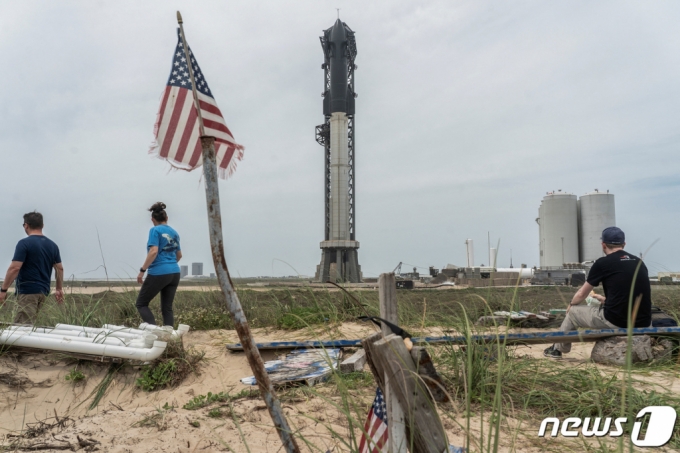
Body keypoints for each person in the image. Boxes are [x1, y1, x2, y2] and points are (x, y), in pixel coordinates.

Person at [544, 226, 652, 359]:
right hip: (644, 322)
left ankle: (557, 349)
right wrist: (606, 299)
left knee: (573, 312)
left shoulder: (602, 263)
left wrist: (571, 304)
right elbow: (631, 292)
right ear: (624, 244)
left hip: (617, 321)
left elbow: (582, 294)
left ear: (603, 244)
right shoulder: (639, 262)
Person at [0, 211, 64, 324]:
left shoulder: (24, 243)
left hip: (28, 291)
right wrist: (59, 289)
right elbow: (59, 269)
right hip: (44, 292)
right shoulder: (52, 245)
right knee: (34, 327)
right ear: (42, 225)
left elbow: (14, 268)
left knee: (22, 328)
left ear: (26, 225)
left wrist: (3, 290)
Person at [136, 202, 182, 326]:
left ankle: (154, 332)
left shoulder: (155, 230)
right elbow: (179, 255)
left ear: (153, 219)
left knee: (141, 303)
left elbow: (153, 251)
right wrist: (169, 265)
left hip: (159, 272)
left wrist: (142, 270)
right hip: (175, 273)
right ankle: (168, 337)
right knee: (167, 308)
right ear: (166, 218)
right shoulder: (174, 233)